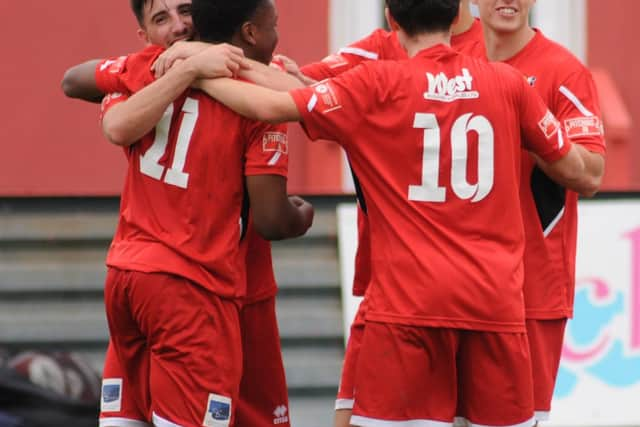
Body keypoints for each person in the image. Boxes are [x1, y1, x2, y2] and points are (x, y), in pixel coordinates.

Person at [191, 0, 588, 425]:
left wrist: (195, 72)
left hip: (408, 304)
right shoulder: (509, 83)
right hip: (495, 303)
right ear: (456, 15)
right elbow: (577, 169)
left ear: (391, 19)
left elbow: (270, 104)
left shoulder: (375, 83)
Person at [78, 1, 313, 426]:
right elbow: (273, 218)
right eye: (160, 18)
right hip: (199, 286)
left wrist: (190, 69)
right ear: (250, 31)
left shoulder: (142, 69)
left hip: (131, 274)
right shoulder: (242, 85)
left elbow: (80, 86)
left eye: (184, 10)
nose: (177, 26)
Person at [472, 0, 606, 422]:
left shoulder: (564, 71)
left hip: (532, 290)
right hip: (459, 283)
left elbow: (592, 174)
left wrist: (533, 127)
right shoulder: (454, 64)